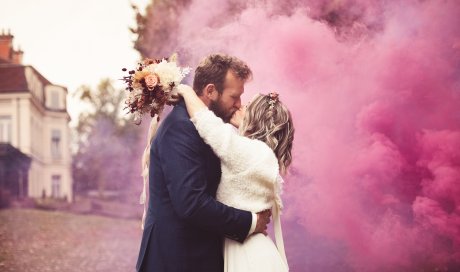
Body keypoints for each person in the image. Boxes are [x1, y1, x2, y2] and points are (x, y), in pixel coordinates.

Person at [135, 54, 272, 272]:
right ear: (210, 91)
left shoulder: (206, 127)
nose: (239, 105)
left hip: (194, 255)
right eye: (234, 97)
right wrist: (251, 222)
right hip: (176, 259)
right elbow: (191, 203)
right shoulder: (181, 128)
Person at [176, 82, 294, 271]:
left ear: (256, 119)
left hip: (250, 258)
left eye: (246, 107)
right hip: (246, 250)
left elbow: (207, 123)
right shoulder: (255, 153)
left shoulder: (253, 152)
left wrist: (185, 90)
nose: (239, 106)